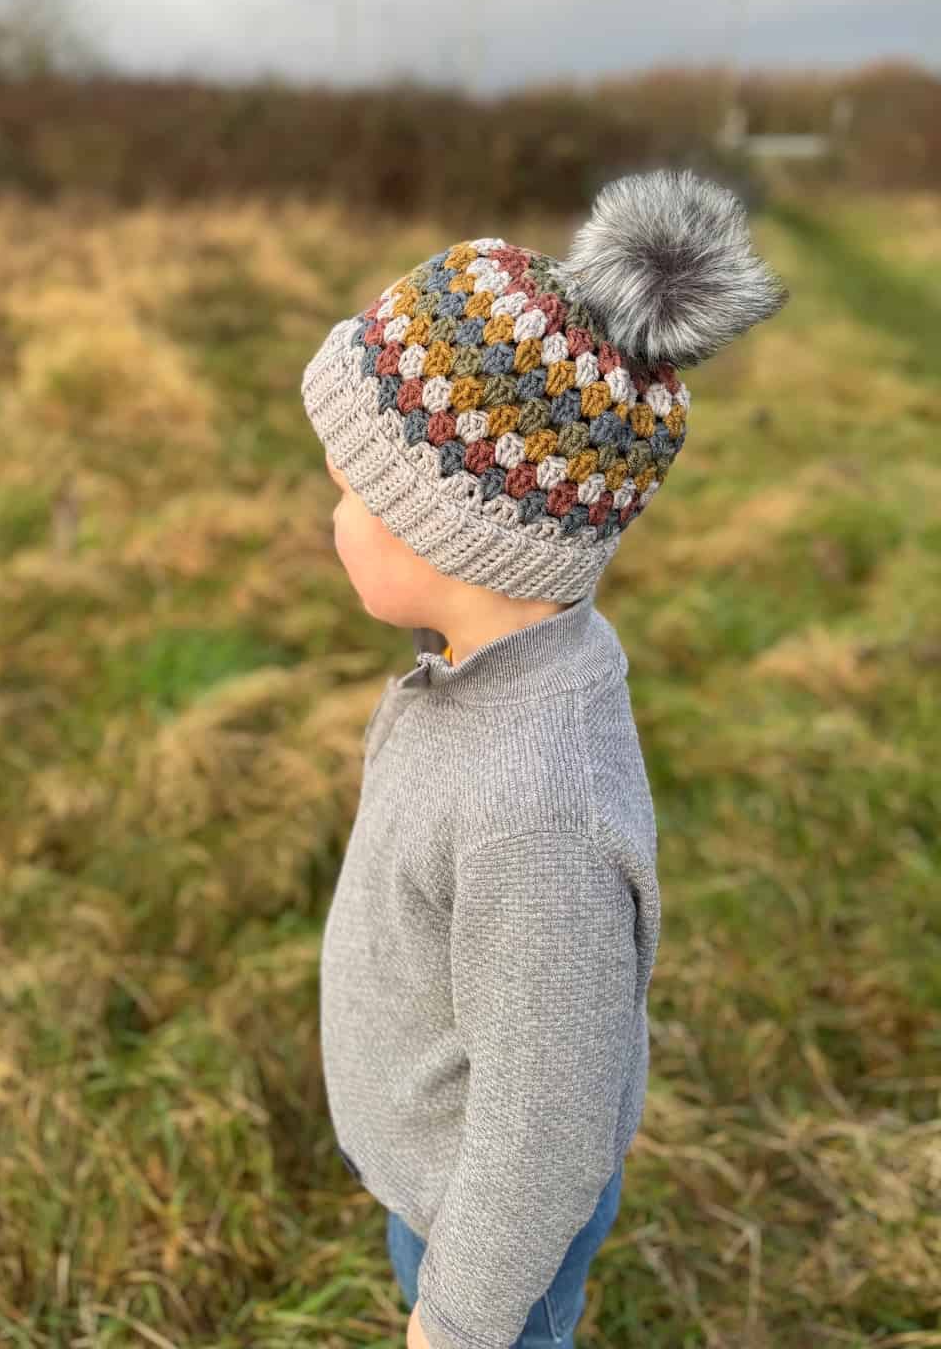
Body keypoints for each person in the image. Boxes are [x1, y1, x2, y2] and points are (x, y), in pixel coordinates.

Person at [299, 170, 788, 1349]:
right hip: (441, 1178)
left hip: (490, 1227)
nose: (328, 514)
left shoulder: (536, 816)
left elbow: (547, 1123)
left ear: (459, 531)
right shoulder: (489, 664)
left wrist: (459, 1318)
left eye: (354, 490)